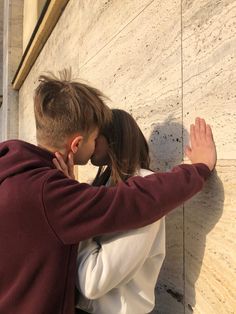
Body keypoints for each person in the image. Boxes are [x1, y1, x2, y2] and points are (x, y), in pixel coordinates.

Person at [0, 71, 216, 314]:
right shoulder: (49, 192)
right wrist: (198, 169)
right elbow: (132, 200)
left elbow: (92, 281)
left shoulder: (15, 171)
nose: (92, 149)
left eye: (96, 137)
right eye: (92, 136)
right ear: (76, 144)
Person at [55, 109, 166, 314]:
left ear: (114, 139)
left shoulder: (143, 190)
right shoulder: (103, 185)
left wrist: (77, 217)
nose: (89, 142)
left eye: (95, 136)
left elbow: (93, 281)